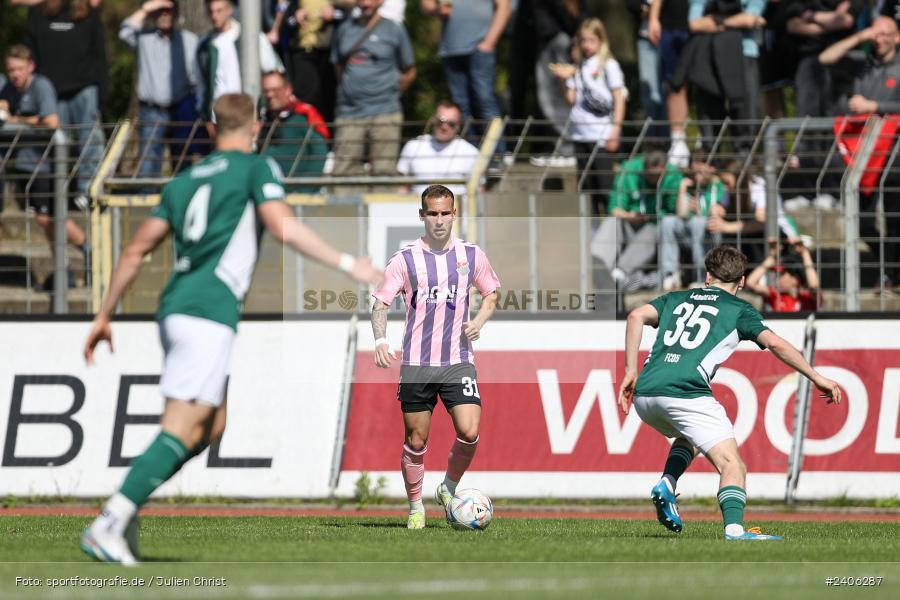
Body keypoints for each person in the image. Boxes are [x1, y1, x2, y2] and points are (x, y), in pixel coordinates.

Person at [79, 93, 383, 565]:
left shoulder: (182, 181)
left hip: (177, 306)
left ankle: (126, 509)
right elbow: (282, 227)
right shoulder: (254, 169)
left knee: (211, 426)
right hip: (207, 310)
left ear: (210, 129)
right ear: (257, 126)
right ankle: (112, 518)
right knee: (182, 426)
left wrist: (104, 314)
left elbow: (135, 249)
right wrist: (349, 264)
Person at [618, 244, 841, 541]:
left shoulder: (676, 297)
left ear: (708, 276)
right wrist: (816, 376)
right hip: (685, 391)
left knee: (692, 437)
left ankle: (667, 484)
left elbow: (635, 316)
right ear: (743, 281)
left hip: (645, 394)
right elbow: (775, 344)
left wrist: (630, 371)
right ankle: (735, 530)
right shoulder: (739, 310)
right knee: (732, 464)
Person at [371, 183, 500, 529]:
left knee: (470, 431)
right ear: (422, 215)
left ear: (454, 214)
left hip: (457, 359)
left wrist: (480, 321)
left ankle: (448, 487)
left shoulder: (472, 256)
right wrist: (381, 340)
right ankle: (416, 508)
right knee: (416, 439)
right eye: (433, 213)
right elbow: (380, 302)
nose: (439, 220)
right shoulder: (405, 260)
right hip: (416, 363)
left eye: (445, 213)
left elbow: (492, 292)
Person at [0, 44, 89, 286]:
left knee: (49, 217)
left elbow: (51, 122)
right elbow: (4, 108)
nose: (15, 74)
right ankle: (65, 270)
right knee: (45, 218)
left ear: (31, 67)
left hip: (45, 164)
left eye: (19, 69)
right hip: (23, 165)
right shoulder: (10, 88)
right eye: (10, 70)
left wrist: (16, 120)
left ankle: (86, 253)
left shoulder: (41, 86)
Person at [25, 0, 108, 205]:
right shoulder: (38, 12)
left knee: (90, 140)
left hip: (85, 88)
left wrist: (103, 92)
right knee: (54, 144)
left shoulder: (88, 12)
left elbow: (100, 54)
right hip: (52, 92)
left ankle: (87, 192)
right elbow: (30, 54)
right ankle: (55, 195)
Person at [549, 17, 626, 216]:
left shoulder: (608, 65)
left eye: (591, 40)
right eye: (583, 40)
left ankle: (611, 234)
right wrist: (562, 81)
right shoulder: (578, 66)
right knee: (587, 189)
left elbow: (619, 98)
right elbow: (571, 99)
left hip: (600, 134)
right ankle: (591, 233)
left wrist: (615, 129)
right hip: (580, 135)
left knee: (605, 187)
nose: (587, 45)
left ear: (601, 41)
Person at [330, 0, 416, 178]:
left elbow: (409, 71)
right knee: (343, 170)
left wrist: (392, 92)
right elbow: (337, 66)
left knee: (384, 172)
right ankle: (347, 206)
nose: (365, 3)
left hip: (386, 111)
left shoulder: (394, 29)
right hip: (350, 111)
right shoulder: (344, 29)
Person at [119, 0, 201, 176]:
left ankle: (182, 202)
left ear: (176, 13)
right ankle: (148, 202)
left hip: (181, 109)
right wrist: (147, 8)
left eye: (168, 11)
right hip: (152, 112)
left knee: (183, 164)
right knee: (148, 164)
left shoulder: (190, 40)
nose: (164, 15)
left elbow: (197, 78)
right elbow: (125, 31)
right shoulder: (144, 38)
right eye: (159, 11)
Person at [421, 0, 511, 152]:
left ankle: (497, 155)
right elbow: (426, 7)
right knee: (461, 106)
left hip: (480, 49)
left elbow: (504, 7)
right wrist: (438, 9)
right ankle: (471, 154)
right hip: (451, 49)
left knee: (484, 101)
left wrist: (489, 42)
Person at [591, 148, 682, 291]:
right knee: (612, 221)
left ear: (664, 170)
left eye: (658, 176)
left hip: (654, 229)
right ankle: (597, 264)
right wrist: (628, 216)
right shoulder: (628, 170)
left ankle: (619, 273)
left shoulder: (674, 176)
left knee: (653, 229)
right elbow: (614, 207)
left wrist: (651, 217)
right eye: (650, 175)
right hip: (628, 223)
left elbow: (673, 213)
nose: (654, 180)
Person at [196, 0, 285, 121]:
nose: (214, 16)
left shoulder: (252, 37)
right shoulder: (204, 46)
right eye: (211, 12)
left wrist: (265, 107)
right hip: (219, 117)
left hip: (250, 114)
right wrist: (206, 116)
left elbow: (274, 70)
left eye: (219, 11)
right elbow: (201, 85)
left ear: (229, 10)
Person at [660, 153, 725, 289]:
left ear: (711, 168)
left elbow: (719, 213)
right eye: (694, 171)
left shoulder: (718, 187)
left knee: (698, 222)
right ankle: (670, 274)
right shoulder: (691, 185)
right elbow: (681, 214)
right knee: (668, 221)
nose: (696, 175)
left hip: (710, 236)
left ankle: (703, 276)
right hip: (690, 235)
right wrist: (682, 191)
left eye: (700, 171)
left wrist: (701, 211)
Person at [259, 70, 330, 192]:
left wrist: (304, 189)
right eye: (266, 91)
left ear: (288, 90)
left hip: (299, 194)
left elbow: (319, 154)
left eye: (275, 90)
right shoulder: (263, 120)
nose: (270, 95)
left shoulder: (304, 116)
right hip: (271, 192)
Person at [396, 100, 479, 197]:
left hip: (456, 211)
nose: (444, 127)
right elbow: (403, 188)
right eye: (440, 121)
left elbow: (478, 191)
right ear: (433, 120)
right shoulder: (413, 146)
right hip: (417, 209)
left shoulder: (471, 152)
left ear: (458, 126)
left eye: (451, 124)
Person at [746, 238, 820, 311]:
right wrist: (772, 257)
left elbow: (814, 285)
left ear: (795, 279)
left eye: (781, 275)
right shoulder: (775, 295)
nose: (776, 280)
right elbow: (750, 283)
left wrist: (804, 253)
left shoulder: (807, 297)